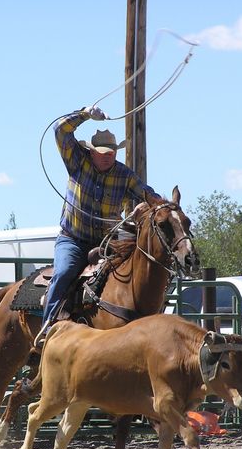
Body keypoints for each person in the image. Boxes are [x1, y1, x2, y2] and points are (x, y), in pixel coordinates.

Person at [34, 106, 160, 347]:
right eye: (102, 152)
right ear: (91, 152)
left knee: (130, 273)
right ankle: (47, 329)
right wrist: (84, 114)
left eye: (111, 152)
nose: (107, 156)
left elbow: (146, 192)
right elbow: (59, 131)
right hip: (72, 239)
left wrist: (160, 206)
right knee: (63, 273)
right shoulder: (77, 161)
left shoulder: (124, 175)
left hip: (106, 242)